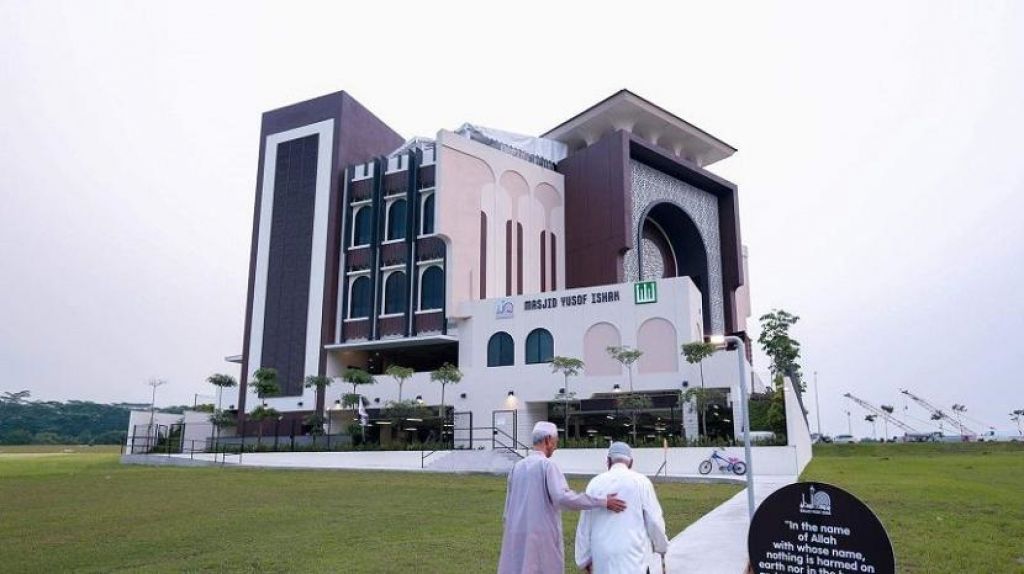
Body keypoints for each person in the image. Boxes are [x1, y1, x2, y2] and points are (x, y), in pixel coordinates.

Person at [498, 421, 628, 574]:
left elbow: (507, 511)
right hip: (541, 538)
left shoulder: (516, 468)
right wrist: (602, 502)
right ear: (548, 440)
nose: (555, 447)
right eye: (555, 442)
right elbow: (563, 498)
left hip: (516, 535)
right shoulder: (547, 466)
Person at [575, 442, 669, 574]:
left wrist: (583, 559)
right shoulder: (641, 482)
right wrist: (662, 546)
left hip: (603, 559)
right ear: (631, 463)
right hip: (634, 559)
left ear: (608, 461)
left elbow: (585, 525)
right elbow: (654, 521)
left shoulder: (594, 484)